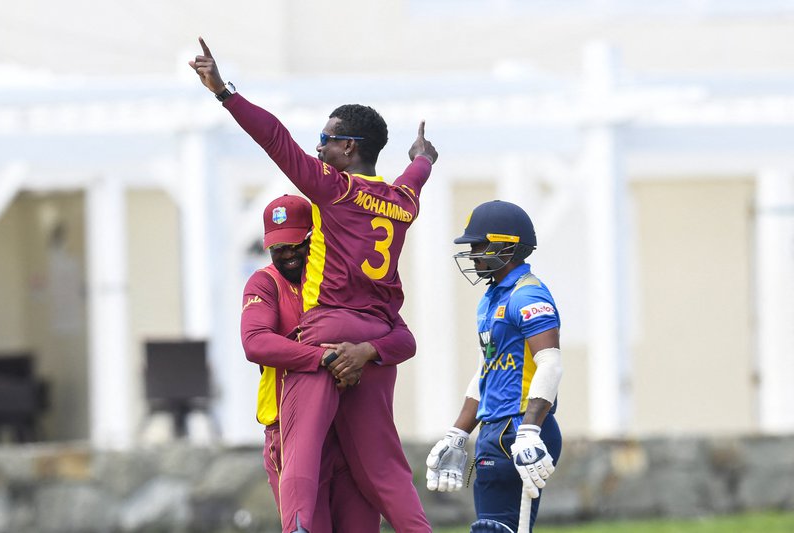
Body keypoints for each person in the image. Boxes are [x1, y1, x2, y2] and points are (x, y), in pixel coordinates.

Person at [191, 37, 437, 533]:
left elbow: (274, 137)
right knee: (386, 466)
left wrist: (224, 93)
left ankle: (299, 527)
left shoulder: (334, 187)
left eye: (325, 140)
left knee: (300, 448)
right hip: (378, 333)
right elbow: (416, 174)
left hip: (327, 326)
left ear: (349, 148)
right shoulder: (404, 199)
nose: (317, 148)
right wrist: (424, 155)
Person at [241, 193, 419, 532]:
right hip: (291, 431)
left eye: (297, 244)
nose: (288, 254)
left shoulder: (342, 282)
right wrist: (323, 356)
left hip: (350, 433)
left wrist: (365, 351)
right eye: (278, 248)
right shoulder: (265, 283)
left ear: (316, 239)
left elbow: (405, 340)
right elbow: (255, 343)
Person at [425, 200, 563, 533]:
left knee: (500, 530)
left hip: (520, 427)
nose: (472, 254)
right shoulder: (492, 298)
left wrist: (530, 429)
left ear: (505, 245)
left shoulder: (527, 296)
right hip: (493, 428)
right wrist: (458, 433)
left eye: (478, 246)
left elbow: (551, 363)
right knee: (488, 527)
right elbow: (486, 370)